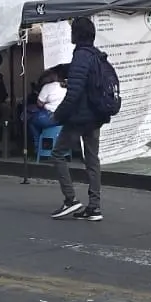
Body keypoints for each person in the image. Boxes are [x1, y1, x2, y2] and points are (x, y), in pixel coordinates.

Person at [50, 17, 114, 222]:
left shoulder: (80, 56)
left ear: (76, 34)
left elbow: (74, 94)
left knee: (58, 153)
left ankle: (70, 199)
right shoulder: (97, 56)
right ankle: (94, 207)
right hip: (96, 115)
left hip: (79, 117)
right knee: (92, 159)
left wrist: (58, 115)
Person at [26, 66, 67, 147]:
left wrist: (45, 103)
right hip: (65, 118)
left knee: (31, 120)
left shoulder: (48, 87)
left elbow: (39, 103)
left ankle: (38, 146)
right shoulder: (66, 86)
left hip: (51, 117)